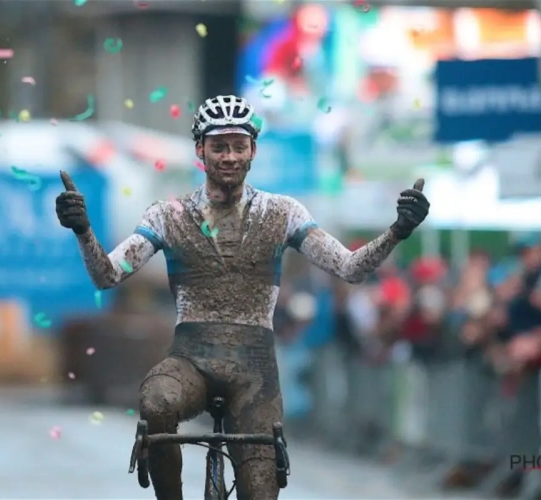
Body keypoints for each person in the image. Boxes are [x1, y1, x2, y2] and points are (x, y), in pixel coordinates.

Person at [54, 95, 430, 500]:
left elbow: (350, 268)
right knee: (157, 401)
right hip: (190, 362)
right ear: (200, 150)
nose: (229, 157)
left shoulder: (284, 212)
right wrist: (83, 231)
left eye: (238, 146)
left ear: (253, 150)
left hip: (254, 370)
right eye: (219, 147)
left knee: (259, 491)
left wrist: (398, 232)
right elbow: (107, 275)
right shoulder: (167, 214)